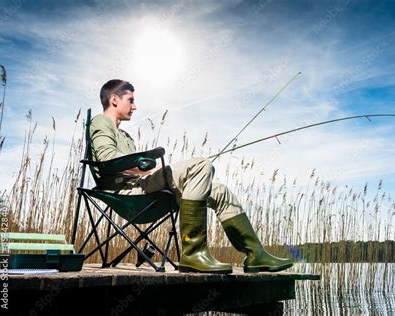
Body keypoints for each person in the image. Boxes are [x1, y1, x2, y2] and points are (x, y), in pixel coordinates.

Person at [90, 79, 293, 273]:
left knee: (220, 191)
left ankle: (255, 254)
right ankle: (193, 254)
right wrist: (143, 164)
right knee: (201, 165)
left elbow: (133, 166)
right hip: (127, 194)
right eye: (131, 100)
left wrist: (147, 167)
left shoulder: (126, 137)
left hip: (145, 186)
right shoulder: (100, 121)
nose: (134, 107)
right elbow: (108, 159)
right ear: (114, 99)